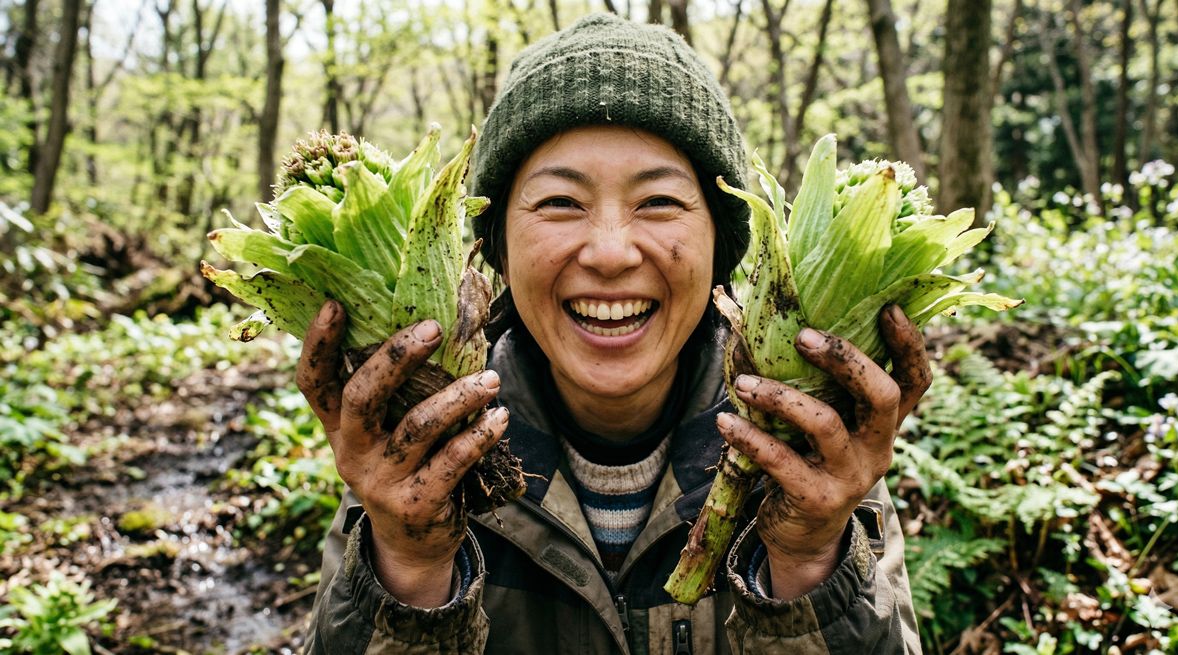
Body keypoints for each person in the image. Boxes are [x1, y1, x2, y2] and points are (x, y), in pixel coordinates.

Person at [301, 13, 929, 654]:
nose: (609, 253)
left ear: (724, 245)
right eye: (559, 203)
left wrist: (808, 559)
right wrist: (409, 571)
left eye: (658, 202)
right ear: (498, 251)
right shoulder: (411, 459)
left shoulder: (816, 459)